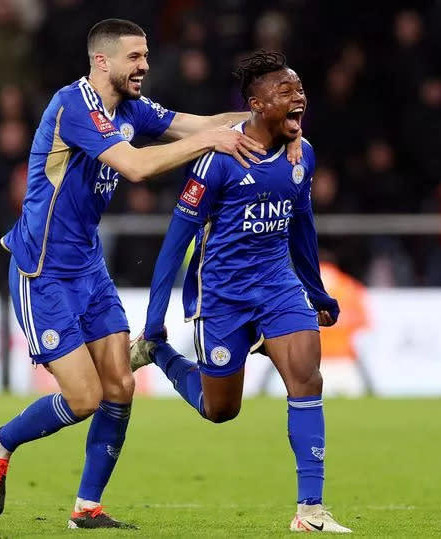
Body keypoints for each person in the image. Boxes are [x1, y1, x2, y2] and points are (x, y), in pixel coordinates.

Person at [0, 19, 303, 530]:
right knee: (84, 398)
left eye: (146, 56)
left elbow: (202, 123)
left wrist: (272, 115)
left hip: (87, 264)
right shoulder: (74, 105)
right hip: (42, 271)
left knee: (120, 386)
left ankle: (87, 508)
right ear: (102, 60)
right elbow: (136, 166)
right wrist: (214, 142)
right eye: (135, 57)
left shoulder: (130, 108)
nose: (145, 65)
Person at [130, 52, 351, 533]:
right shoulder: (217, 162)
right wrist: (153, 319)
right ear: (256, 104)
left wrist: (317, 292)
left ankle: (310, 511)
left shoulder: (302, 155)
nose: (299, 99)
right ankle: (159, 353)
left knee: (307, 379)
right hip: (223, 297)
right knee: (220, 409)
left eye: (300, 90)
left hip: (278, 287)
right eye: (286, 93)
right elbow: (176, 242)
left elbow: (302, 227)